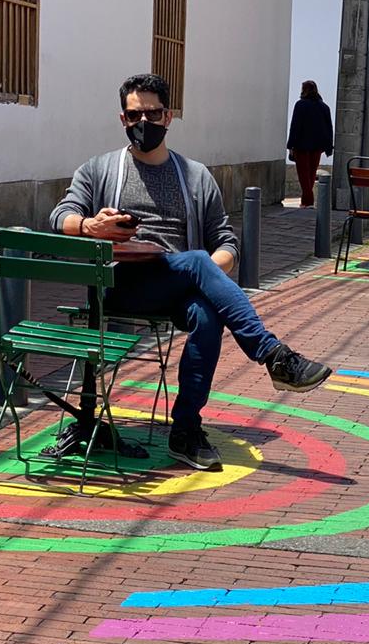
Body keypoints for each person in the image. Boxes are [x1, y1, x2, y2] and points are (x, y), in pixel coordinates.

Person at [49, 73, 332, 471]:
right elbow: (59, 215)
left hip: (178, 287)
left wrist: (203, 274)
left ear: (169, 116)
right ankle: (274, 356)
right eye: (134, 115)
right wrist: (90, 226)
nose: (142, 123)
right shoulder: (99, 169)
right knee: (198, 263)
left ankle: (185, 429)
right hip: (119, 284)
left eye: (152, 113)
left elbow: (227, 244)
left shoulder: (196, 176)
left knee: (206, 311)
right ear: (122, 119)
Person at [286, 80, 334, 208]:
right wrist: (329, 146)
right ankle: (306, 200)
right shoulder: (324, 107)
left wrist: (291, 145)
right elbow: (329, 127)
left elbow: (295, 126)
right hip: (317, 146)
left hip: (301, 146)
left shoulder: (300, 105)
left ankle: (307, 201)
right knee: (311, 174)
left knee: (303, 174)